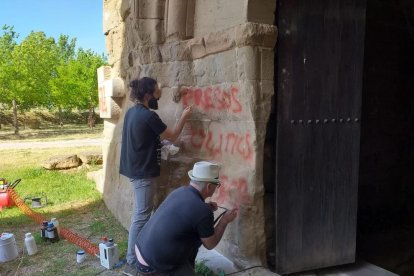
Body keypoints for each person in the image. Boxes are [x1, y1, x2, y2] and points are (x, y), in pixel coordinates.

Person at [120, 77, 192, 276]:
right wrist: (184, 116)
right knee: (141, 214)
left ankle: (144, 252)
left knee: (143, 213)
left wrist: (161, 146)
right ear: (147, 94)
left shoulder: (132, 112)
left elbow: (145, 137)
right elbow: (174, 134)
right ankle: (132, 262)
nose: (159, 97)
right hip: (142, 173)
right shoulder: (148, 116)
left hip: (135, 169)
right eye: (157, 93)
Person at [134, 161, 239, 276]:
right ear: (209, 186)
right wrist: (224, 221)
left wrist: (206, 208)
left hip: (141, 251)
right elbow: (210, 244)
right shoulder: (202, 211)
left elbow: (189, 213)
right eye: (216, 185)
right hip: (155, 265)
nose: (216, 189)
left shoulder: (180, 192)